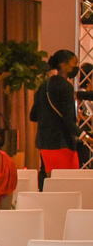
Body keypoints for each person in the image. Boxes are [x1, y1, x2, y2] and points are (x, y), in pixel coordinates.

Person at [29, 49, 86, 188]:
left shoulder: (43, 87)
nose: (76, 67)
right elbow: (68, 119)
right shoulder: (66, 87)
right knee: (68, 185)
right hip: (62, 143)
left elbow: (33, 116)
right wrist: (83, 135)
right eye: (74, 64)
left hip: (45, 143)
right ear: (63, 65)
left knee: (52, 184)